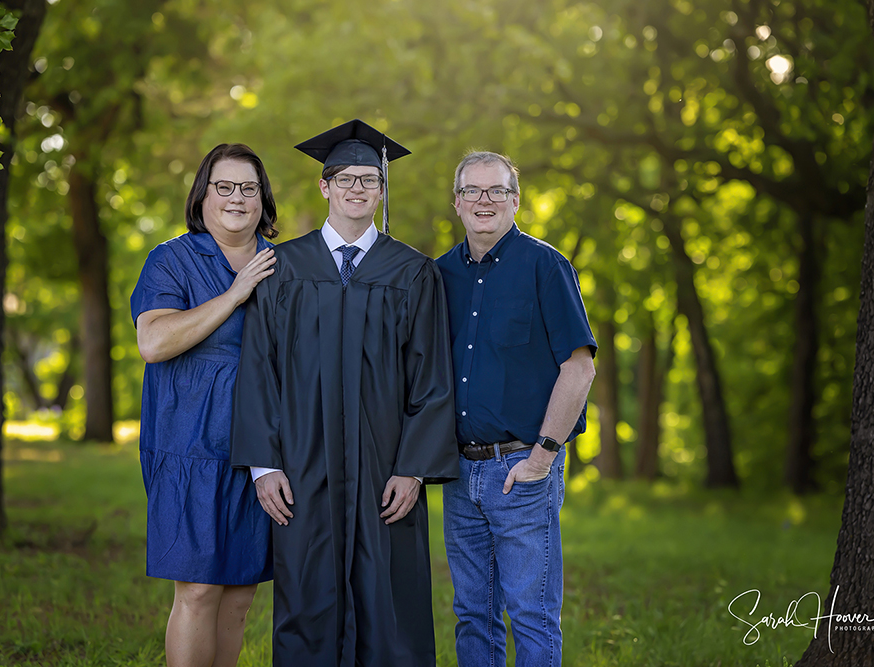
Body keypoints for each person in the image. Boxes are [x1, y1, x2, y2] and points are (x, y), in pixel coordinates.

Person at [229, 119, 459, 667]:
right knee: (307, 595)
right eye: (345, 178)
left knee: (389, 600)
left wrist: (414, 469)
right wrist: (264, 466)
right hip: (304, 467)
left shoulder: (412, 272)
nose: (358, 188)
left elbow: (432, 380)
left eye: (369, 180)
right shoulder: (282, 268)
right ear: (324, 186)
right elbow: (258, 367)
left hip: (387, 471)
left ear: (382, 190)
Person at [436, 151, 598, 666]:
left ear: (515, 200)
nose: (484, 201)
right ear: (457, 202)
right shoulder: (437, 276)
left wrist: (543, 457)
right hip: (460, 472)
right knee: (472, 616)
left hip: (523, 468)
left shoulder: (546, 267)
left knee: (531, 614)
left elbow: (579, 368)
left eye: (496, 191)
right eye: (473, 192)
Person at [131, 143, 278, 667]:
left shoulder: (281, 266)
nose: (237, 197)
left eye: (249, 188)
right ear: (204, 194)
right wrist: (235, 294)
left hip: (260, 451)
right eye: (225, 186)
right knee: (197, 591)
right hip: (188, 442)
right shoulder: (171, 259)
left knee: (239, 595)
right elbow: (154, 342)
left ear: (262, 199)